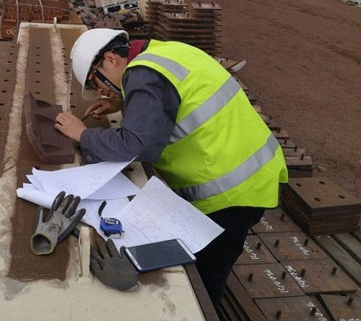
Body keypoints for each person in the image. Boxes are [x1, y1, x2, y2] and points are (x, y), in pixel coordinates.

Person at [54, 28, 288, 306]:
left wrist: (83, 134)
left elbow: (137, 145)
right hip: (252, 169)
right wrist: (124, 100)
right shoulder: (163, 53)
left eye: (96, 82)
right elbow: (168, 100)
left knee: (203, 282)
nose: (100, 91)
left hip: (232, 192)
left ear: (110, 59)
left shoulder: (144, 73)